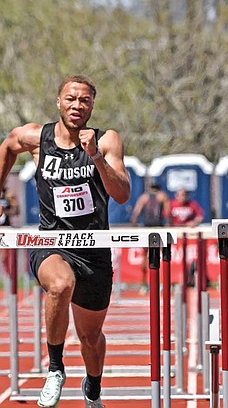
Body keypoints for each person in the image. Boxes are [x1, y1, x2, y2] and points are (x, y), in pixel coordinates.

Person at [0, 75, 131, 407]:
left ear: (91, 106)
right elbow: (8, 145)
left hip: (94, 250)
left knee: (90, 337)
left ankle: (94, 388)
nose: (77, 105)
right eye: (70, 99)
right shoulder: (36, 138)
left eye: (84, 100)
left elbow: (122, 194)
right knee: (59, 284)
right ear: (59, 102)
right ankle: (56, 368)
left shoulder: (106, 141)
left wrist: (96, 158)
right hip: (52, 242)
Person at [130, 182, 170, 293]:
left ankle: (144, 284)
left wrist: (134, 228)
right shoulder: (163, 196)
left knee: (144, 255)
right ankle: (162, 283)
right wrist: (171, 226)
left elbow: (136, 214)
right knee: (164, 255)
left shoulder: (144, 197)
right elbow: (168, 212)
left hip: (146, 227)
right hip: (159, 227)